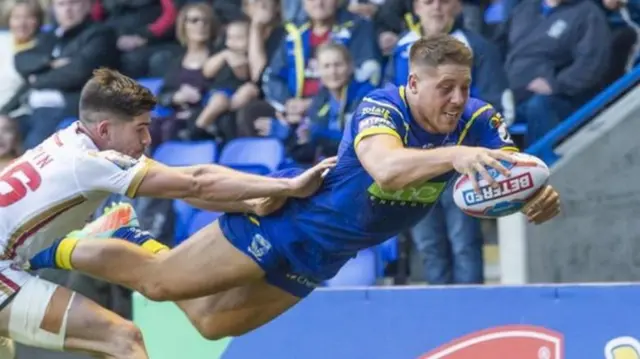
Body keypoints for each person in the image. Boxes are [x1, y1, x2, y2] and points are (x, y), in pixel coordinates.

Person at [31, 35, 561, 341]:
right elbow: (388, 170)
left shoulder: (478, 120)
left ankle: (132, 235)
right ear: (414, 83)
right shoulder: (383, 106)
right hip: (287, 219)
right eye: (445, 87)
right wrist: (457, 155)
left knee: (211, 326)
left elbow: (506, 177)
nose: (456, 98)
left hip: (325, 255)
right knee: (159, 284)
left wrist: (532, 197)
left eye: (464, 87)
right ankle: (52, 248)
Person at [0, 67, 334, 358]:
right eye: (140, 128)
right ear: (105, 129)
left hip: (12, 262)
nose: (148, 138)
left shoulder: (74, 141)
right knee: (121, 338)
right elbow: (196, 183)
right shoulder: (93, 163)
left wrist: (250, 202)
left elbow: (186, 186)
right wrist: (285, 188)